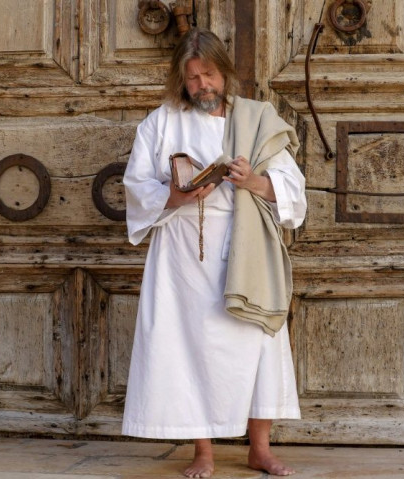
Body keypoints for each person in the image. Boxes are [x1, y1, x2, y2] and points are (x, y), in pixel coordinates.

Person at [121, 28, 306, 478]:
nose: (203, 85)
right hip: (183, 252)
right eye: (192, 78)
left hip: (248, 248)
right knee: (189, 348)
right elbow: (135, 186)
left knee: (258, 342)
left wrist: (253, 182)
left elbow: (293, 191)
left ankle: (258, 448)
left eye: (209, 75)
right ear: (180, 81)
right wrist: (178, 196)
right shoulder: (161, 122)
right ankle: (202, 451)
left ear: (225, 72)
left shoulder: (258, 118)